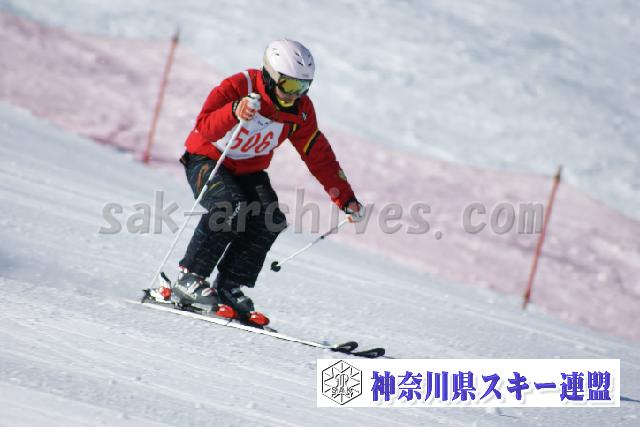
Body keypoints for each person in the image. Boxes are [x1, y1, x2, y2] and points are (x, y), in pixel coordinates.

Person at [170, 39, 364, 325]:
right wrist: (234, 110)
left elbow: (318, 154)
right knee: (228, 207)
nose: (294, 95)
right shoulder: (238, 85)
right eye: (289, 85)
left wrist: (345, 198)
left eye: (303, 87)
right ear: (270, 76)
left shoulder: (300, 111)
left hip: (248, 169)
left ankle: (228, 286)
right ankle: (189, 279)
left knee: (270, 219)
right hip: (208, 159)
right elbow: (204, 128)